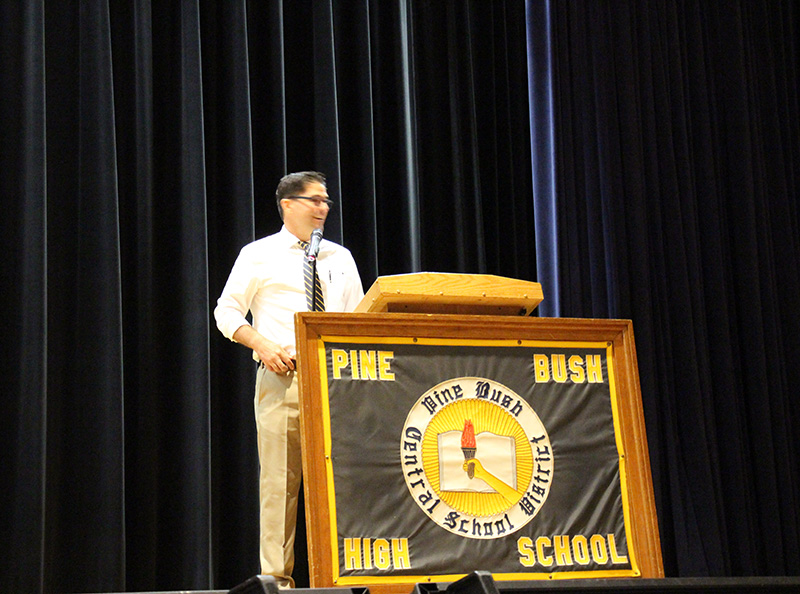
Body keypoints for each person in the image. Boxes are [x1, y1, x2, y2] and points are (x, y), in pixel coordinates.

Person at [214, 171, 364, 587]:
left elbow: (358, 319)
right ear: (287, 204)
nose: (323, 208)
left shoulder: (340, 257)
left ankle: (340, 578)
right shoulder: (258, 254)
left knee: (342, 481)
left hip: (338, 383)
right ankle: (277, 582)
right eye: (314, 200)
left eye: (326, 200)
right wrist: (261, 344)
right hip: (285, 378)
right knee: (281, 484)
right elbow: (225, 312)